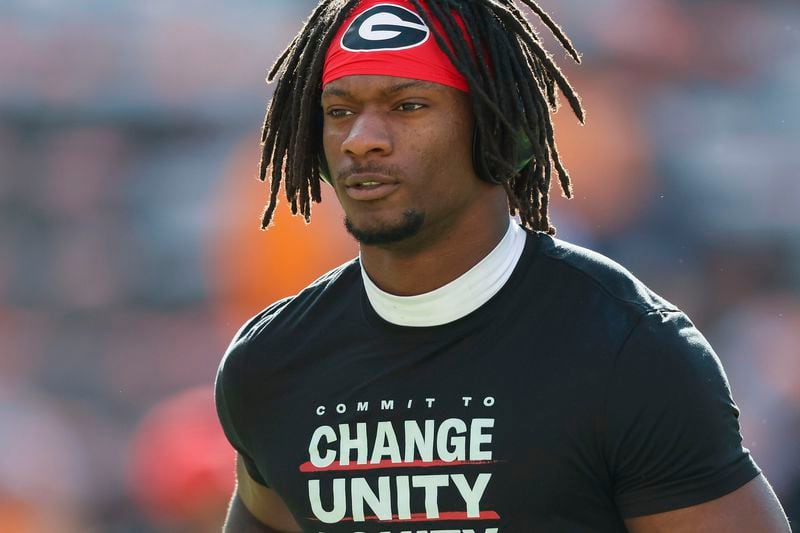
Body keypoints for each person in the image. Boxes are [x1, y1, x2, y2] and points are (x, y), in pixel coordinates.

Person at [215, 1, 791, 531]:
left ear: (495, 127)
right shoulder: (272, 364)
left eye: (408, 105)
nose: (362, 140)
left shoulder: (629, 351)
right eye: (340, 111)